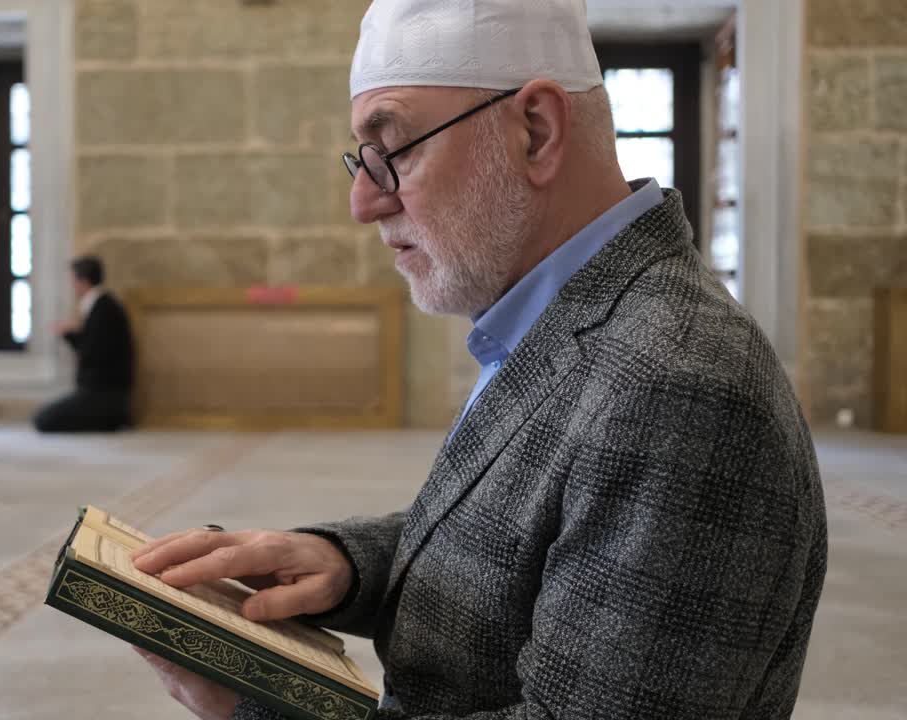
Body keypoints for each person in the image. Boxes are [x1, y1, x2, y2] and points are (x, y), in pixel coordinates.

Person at [129, 1, 827, 718]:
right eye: (362, 158)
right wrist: (350, 564)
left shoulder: (679, 388)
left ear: (536, 131)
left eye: (393, 150)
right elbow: (533, 529)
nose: (363, 201)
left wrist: (263, 711)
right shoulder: (580, 318)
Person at [32, 256, 135, 433]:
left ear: (83, 281)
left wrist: (72, 334)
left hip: (104, 395)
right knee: (47, 416)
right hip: (104, 393)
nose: (72, 286)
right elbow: (95, 346)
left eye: (73, 280)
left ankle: (110, 418)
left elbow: (92, 353)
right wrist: (72, 334)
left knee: (43, 419)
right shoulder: (104, 305)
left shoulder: (103, 307)